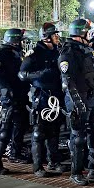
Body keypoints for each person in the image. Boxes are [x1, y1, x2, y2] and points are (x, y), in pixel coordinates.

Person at [59, 18, 94, 185]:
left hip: (92, 97)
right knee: (78, 138)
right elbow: (68, 82)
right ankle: (76, 172)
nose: (91, 34)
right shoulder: (68, 52)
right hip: (77, 98)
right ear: (81, 33)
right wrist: (78, 103)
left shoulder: (88, 49)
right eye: (88, 31)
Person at [19, 22, 64, 177]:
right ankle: (38, 167)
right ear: (46, 37)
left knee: (55, 131)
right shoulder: (35, 53)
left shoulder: (58, 51)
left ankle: (53, 161)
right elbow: (22, 74)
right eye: (54, 34)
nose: (57, 37)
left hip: (57, 95)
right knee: (39, 132)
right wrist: (40, 74)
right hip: (42, 96)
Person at [0, 28, 29, 175]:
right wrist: (6, 91)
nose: (23, 43)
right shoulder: (1, 54)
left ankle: (15, 153)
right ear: (15, 40)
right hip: (9, 98)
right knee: (5, 130)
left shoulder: (16, 54)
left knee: (20, 125)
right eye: (21, 40)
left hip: (20, 96)